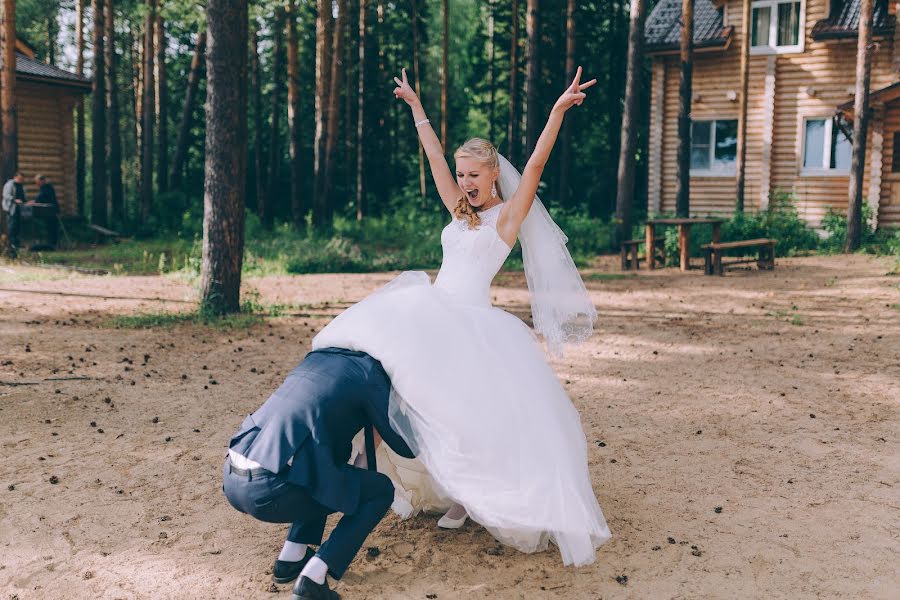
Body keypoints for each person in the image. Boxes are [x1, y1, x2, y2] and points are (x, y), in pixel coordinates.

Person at [311, 66, 611, 567]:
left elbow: (536, 163)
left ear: (493, 174)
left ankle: (464, 495)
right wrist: (416, 108)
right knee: (400, 385)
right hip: (432, 310)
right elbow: (432, 157)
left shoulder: (508, 216)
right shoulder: (459, 211)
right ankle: (376, 459)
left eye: (473, 174)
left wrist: (557, 112)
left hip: (472, 323)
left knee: (466, 411)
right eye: (462, 174)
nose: (464, 182)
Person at [222, 347, 416, 600]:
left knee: (320, 468)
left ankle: (291, 558)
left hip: (234, 474)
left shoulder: (321, 357)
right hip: (270, 489)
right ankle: (313, 578)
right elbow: (406, 446)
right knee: (380, 490)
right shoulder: (371, 372)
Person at [29, 174, 59, 250]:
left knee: (52, 227)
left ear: (42, 181)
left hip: (51, 211)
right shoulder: (45, 187)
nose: (37, 184)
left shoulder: (47, 187)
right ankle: (50, 244)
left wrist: (35, 202)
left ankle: (52, 244)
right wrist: (35, 201)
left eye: (38, 182)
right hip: (48, 211)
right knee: (49, 227)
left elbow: (41, 197)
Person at [2, 171, 26, 258]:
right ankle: (11, 249)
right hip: (11, 210)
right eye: (20, 178)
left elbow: (23, 197)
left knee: (17, 230)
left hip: (19, 210)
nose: (21, 180)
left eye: (22, 179)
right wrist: (14, 200)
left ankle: (16, 248)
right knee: (11, 230)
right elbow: (6, 195)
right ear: (15, 177)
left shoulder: (21, 186)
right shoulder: (10, 184)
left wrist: (26, 202)